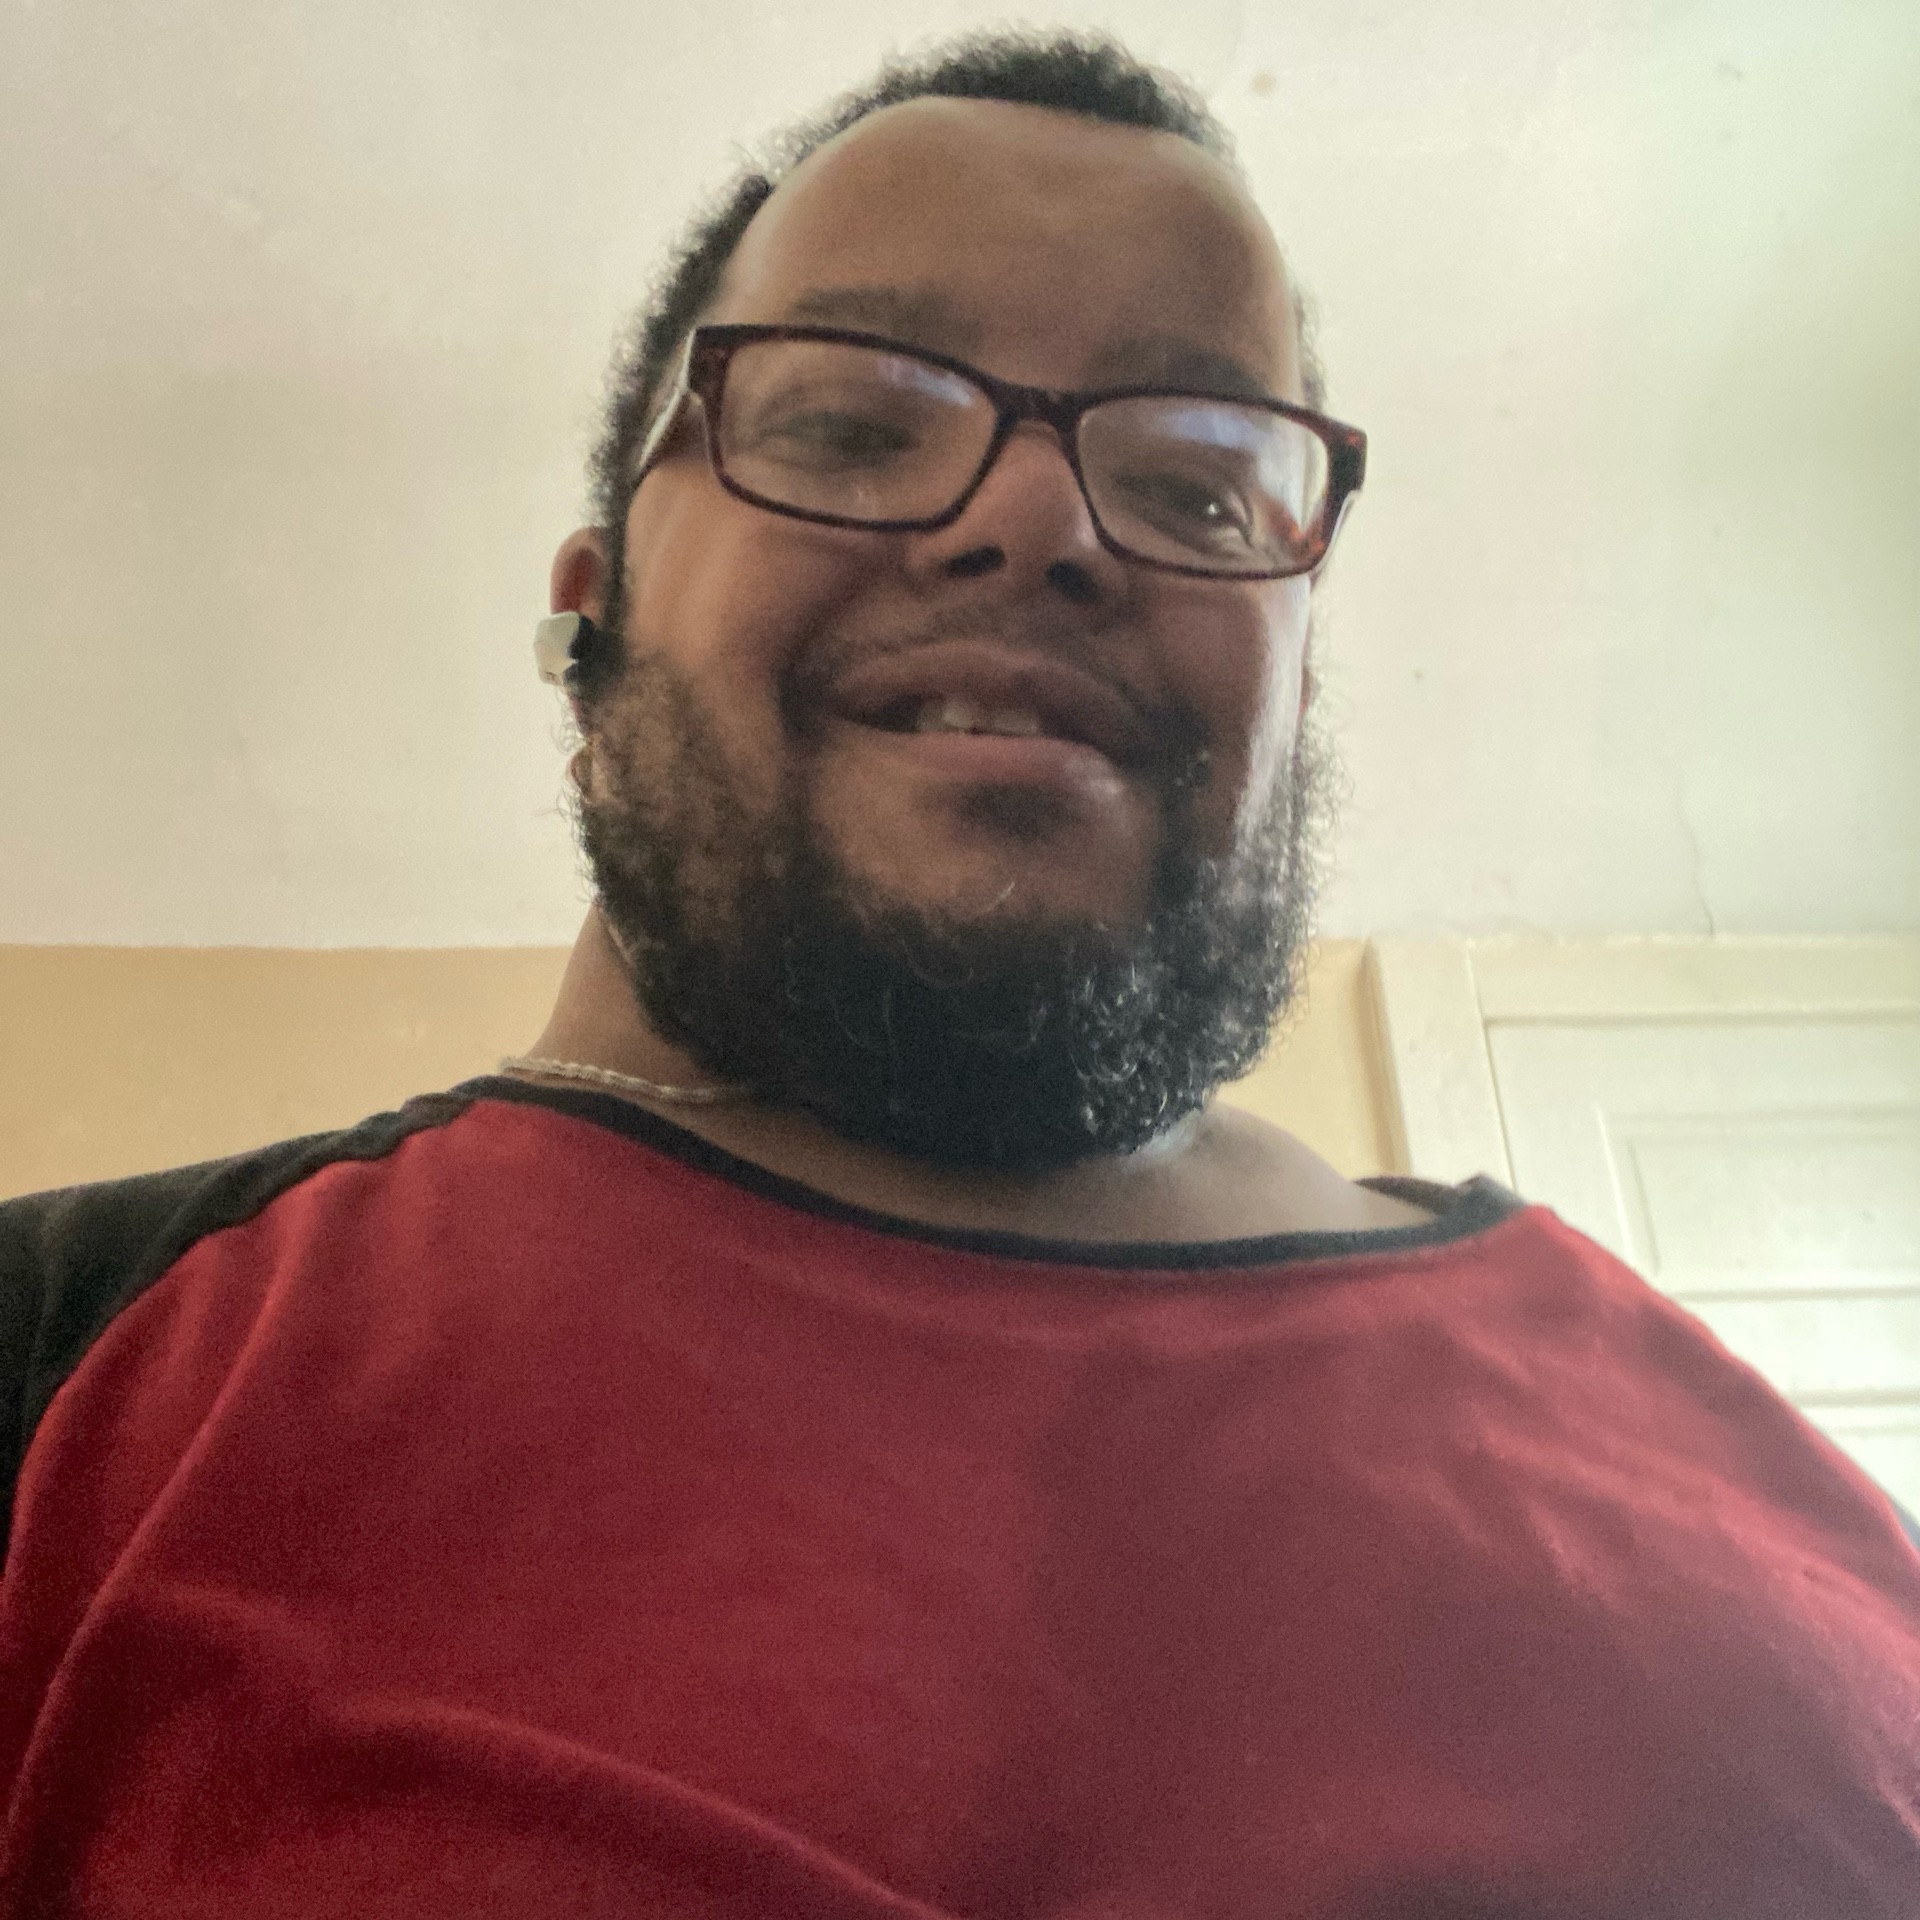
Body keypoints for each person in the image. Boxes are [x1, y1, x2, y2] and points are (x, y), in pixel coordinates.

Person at [2, 32, 1915, 1919]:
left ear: (1294, 693)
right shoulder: (81, 1365)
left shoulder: (1774, 1485)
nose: (1036, 522)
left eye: (1199, 484)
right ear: (592, 626)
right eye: (850, 426)